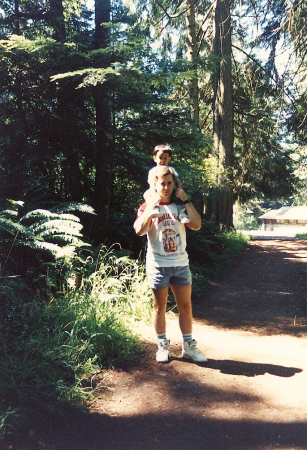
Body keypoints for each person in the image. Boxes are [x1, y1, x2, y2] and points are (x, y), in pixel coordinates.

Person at [134, 165, 207, 363]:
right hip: (158, 265)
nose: (165, 187)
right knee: (159, 307)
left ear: (174, 184)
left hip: (181, 264)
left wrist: (186, 200)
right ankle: (162, 346)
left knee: (186, 306)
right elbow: (139, 230)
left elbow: (197, 224)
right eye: (161, 184)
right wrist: (150, 206)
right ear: (155, 185)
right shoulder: (147, 206)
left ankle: (189, 347)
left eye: (169, 183)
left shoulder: (180, 206)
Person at [144, 144, 190, 223]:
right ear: (154, 158)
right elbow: (151, 183)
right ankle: (155, 209)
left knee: (178, 197)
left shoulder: (171, 170)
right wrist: (153, 192)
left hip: (170, 190)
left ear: (169, 158)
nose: (162, 160)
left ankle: (182, 214)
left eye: (165, 158)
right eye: (160, 158)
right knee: (146, 194)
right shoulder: (153, 171)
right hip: (155, 190)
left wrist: (179, 189)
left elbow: (177, 180)